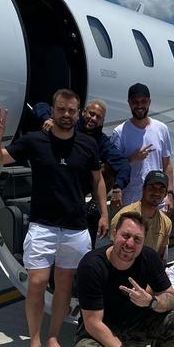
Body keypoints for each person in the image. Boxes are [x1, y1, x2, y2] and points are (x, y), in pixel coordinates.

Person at [0, 89, 108, 347]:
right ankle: (34, 344)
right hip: (43, 225)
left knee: (65, 285)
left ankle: (53, 341)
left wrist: (104, 212)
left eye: (71, 111)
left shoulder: (87, 145)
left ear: (78, 114)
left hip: (76, 228)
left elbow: (98, 180)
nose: (66, 115)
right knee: (38, 283)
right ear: (52, 110)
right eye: (61, 109)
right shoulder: (34, 140)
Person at [73, 212, 174, 347]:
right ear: (113, 234)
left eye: (137, 239)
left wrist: (152, 302)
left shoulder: (149, 258)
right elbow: (93, 323)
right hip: (104, 328)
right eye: (125, 236)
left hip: (137, 324)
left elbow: (171, 298)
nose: (130, 244)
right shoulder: (92, 265)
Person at [39, 99, 131, 246]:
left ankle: (94, 206)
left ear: (102, 121)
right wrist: (48, 119)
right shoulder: (68, 124)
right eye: (91, 114)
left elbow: (123, 165)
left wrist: (118, 187)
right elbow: (41, 105)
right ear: (83, 112)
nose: (93, 119)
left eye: (98, 117)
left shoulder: (101, 142)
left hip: (77, 191)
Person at [111, 83, 174, 213]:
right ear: (129, 103)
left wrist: (169, 194)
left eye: (143, 101)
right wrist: (133, 158)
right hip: (131, 199)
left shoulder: (161, 129)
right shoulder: (120, 132)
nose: (139, 105)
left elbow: (167, 164)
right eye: (135, 102)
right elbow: (113, 166)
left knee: (158, 233)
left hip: (158, 200)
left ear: (149, 102)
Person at [110, 170, 172, 260]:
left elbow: (159, 256)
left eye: (161, 190)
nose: (156, 193)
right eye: (152, 188)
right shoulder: (123, 216)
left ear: (165, 194)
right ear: (143, 188)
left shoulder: (166, 223)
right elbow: (113, 249)